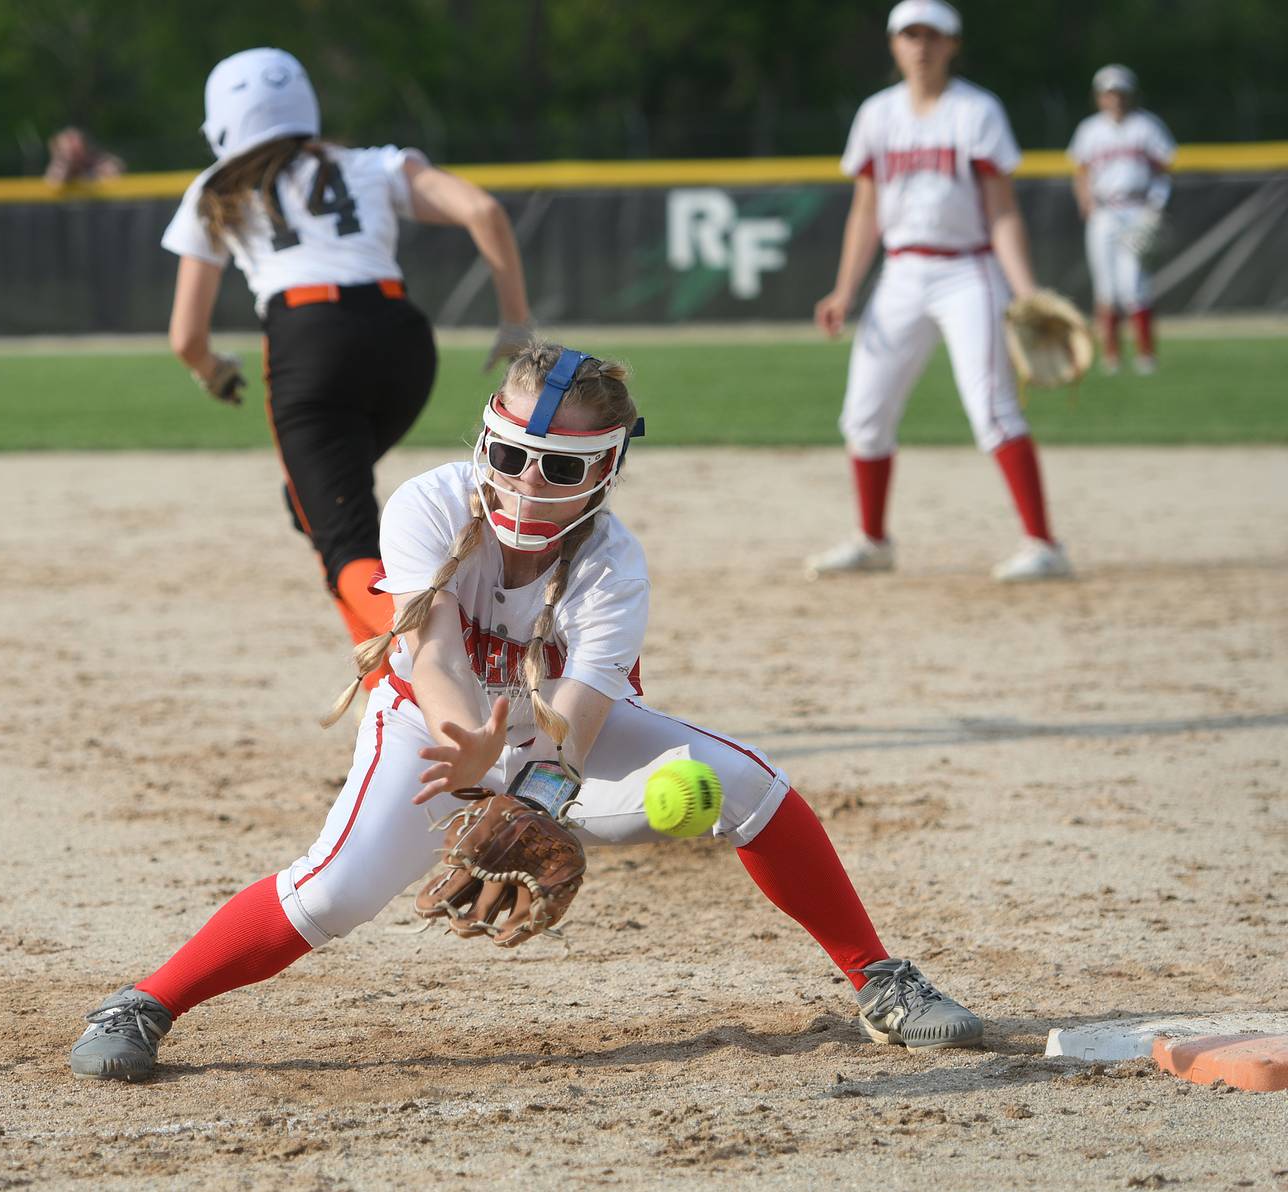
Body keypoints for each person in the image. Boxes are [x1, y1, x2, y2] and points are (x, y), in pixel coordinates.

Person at [68, 343, 985, 1081]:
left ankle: (881, 980)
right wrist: (466, 746)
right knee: (332, 894)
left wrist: (535, 795)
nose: (527, 482)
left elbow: (579, 713)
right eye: (510, 455)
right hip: (432, 730)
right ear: (484, 443)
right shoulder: (430, 504)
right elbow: (430, 654)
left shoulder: (612, 564)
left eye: (559, 465)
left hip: (553, 743)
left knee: (744, 784)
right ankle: (143, 1002)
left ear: (608, 467)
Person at [162, 48, 534, 662]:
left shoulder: (216, 188)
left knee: (342, 543)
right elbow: (483, 210)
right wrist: (515, 322)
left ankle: (449, 654)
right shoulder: (372, 165)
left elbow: (186, 339)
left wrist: (213, 371)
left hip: (310, 341)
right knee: (318, 508)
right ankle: (381, 674)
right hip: (404, 339)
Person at [808, 0, 1070, 584]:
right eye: (909, 34)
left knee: (993, 411)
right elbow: (866, 210)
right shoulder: (877, 115)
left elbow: (1003, 210)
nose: (920, 45)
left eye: (932, 35)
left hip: (968, 272)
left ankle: (1044, 545)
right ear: (894, 44)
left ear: (953, 44)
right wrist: (845, 289)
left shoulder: (976, 111)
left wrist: (1025, 292)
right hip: (901, 274)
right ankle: (874, 541)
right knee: (864, 416)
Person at [1069, 65, 1176, 376]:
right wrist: (1085, 201)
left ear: (1130, 95)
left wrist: (1157, 205)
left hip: (1137, 207)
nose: (1114, 99)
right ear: (1099, 97)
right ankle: (1111, 356)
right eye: (1108, 93)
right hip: (1104, 211)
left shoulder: (1147, 126)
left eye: (1119, 93)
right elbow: (1081, 170)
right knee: (1106, 287)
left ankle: (1146, 355)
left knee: (1135, 285)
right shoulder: (1089, 129)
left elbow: (1163, 167)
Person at [42, 126, 124, 187]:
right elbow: (53, 183)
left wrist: (93, 175)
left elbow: (115, 170)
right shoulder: (59, 165)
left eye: (76, 146)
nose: (72, 150)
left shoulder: (96, 162)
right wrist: (64, 165)